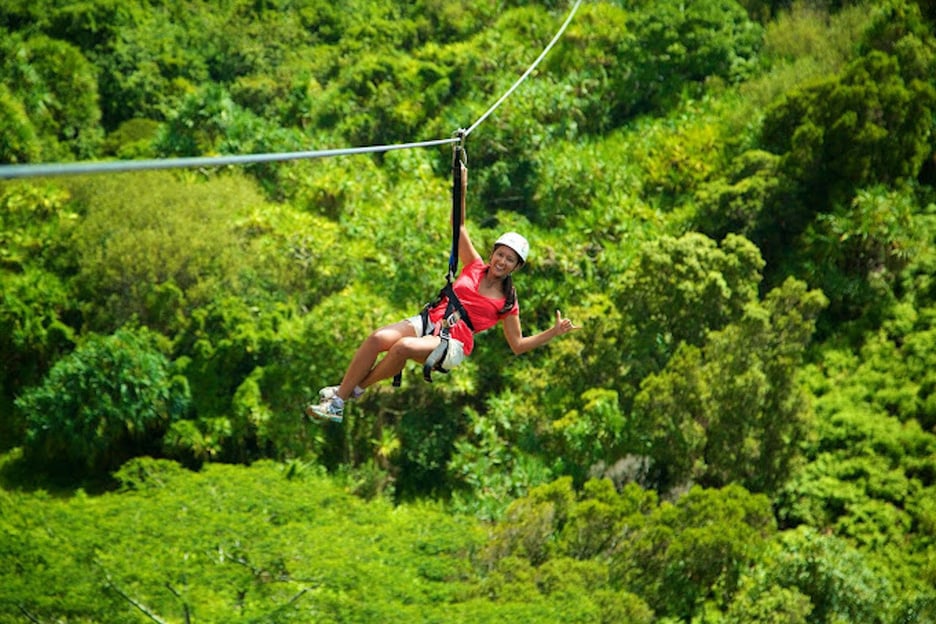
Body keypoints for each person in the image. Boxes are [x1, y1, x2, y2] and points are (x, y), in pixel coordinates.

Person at [306, 164, 579, 422]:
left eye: (510, 259)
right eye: (500, 254)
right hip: (430, 321)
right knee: (378, 338)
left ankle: (346, 394)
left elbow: (517, 345)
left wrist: (553, 333)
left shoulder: (508, 302)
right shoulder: (474, 266)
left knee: (402, 348)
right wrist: (461, 185)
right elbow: (458, 226)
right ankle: (342, 397)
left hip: (453, 343)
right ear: (492, 254)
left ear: (516, 267)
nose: (502, 261)